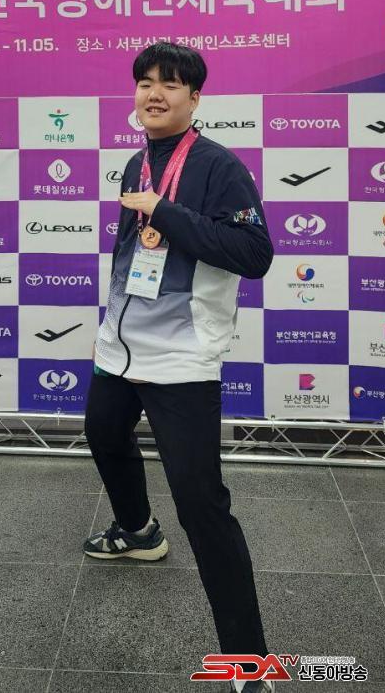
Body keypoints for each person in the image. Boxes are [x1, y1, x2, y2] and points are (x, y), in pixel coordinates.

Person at [83, 42, 275, 693]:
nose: (154, 93)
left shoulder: (219, 166)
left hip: (182, 359)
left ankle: (248, 661)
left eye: (170, 83)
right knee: (104, 434)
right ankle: (139, 531)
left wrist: (164, 211)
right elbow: (136, 254)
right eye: (144, 82)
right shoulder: (135, 161)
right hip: (120, 347)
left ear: (195, 97)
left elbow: (254, 253)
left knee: (201, 505)